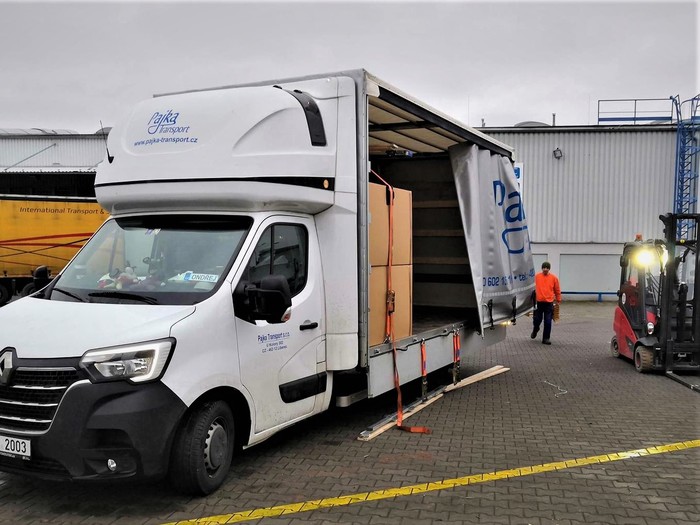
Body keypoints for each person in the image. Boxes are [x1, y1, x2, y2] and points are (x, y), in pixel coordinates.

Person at [531, 261, 562, 345]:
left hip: (549, 303)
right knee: (537, 319)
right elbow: (531, 287)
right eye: (544, 267)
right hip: (538, 302)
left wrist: (558, 300)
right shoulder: (536, 277)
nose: (545, 269)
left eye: (547, 268)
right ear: (542, 268)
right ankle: (536, 329)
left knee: (548, 321)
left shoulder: (554, 278)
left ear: (549, 269)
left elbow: (557, 290)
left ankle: (546, 338)